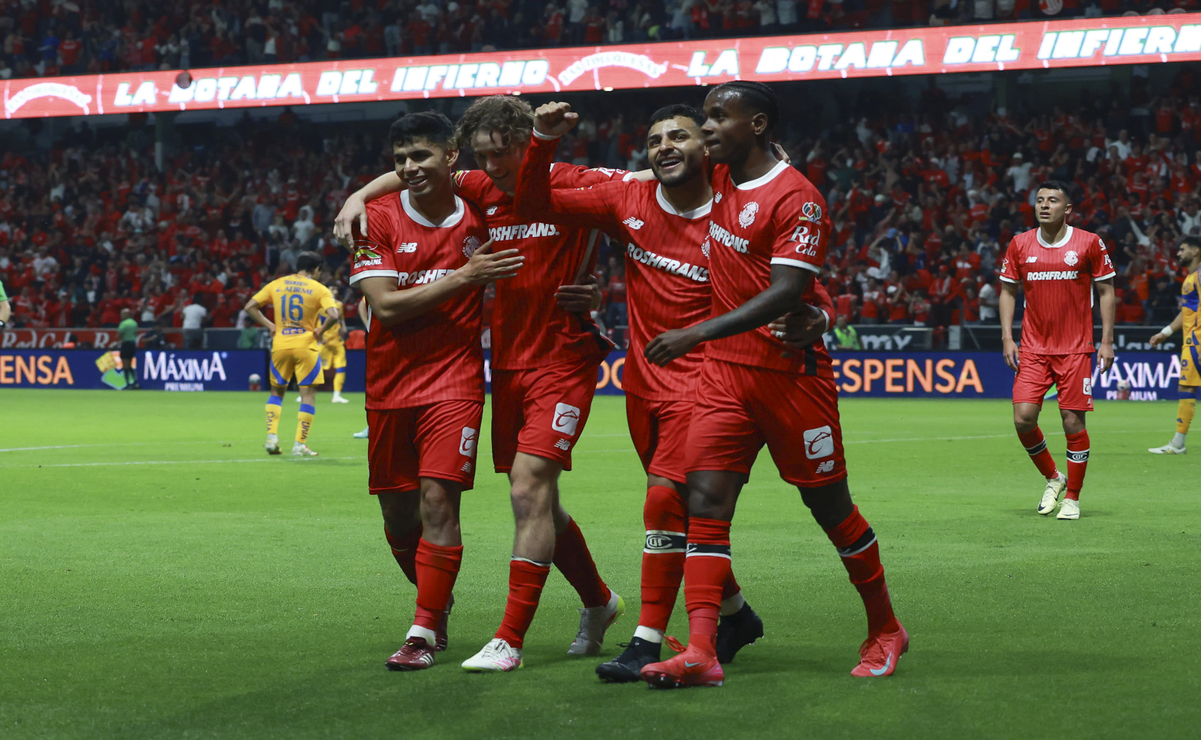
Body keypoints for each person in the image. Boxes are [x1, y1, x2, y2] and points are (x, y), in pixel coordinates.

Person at [515, 101, 834, 681]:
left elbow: (792, 274)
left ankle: (645, 638)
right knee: (683, 514)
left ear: (707, 145)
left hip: (712, 380)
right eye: (654, 138)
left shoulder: (738, 198)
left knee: (664, 503)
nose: (664, 146)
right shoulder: (626, 200)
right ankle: (734, 615)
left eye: (679, 136)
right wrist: (541, 138)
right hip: (645, 383)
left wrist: (822, 312)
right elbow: (533, 199)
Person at [335, 95, 627, 672]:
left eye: (505, 154)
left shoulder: (569, 180)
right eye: (484, 156)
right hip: (498, 368)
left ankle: (488, 637)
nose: (493, 167)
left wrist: (745, 163)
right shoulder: (473, 192)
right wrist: (357, 196)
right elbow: (412, 172)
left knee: (514, 492)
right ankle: (599, 600)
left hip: (541, 363)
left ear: (528, 143)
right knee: (527, 504)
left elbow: (648, 184)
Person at [638, 81, 905, 688]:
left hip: (791, 378)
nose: (704, 129)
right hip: (725, 378)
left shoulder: (798, 198)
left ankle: (886, 627)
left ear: (755, 124)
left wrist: (694, 333)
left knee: (829, 508)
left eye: (717, 118)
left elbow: (787, 292)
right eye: (703, 117)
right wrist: (370, 188)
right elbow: (643, 171)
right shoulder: (722, 174)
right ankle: (702, 650)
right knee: (703, 503)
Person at [349, 111, 523, 671]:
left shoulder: (480, 212)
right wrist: (464, 278)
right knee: (400, 519)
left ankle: (423, 631)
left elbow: (552, 212)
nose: (409, 167)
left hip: (456, 382)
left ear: (451, 157)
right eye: (400, 159)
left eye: (421, 155)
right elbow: (388, 306)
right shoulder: (373, 220)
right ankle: (435, 595)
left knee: (438, 503)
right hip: (389, 384)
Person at [999, 181, 1116, 520]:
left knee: (1071, 422)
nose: (1044, 205)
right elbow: (1008, 291)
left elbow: (1106, 290)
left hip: (1076, 348)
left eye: (1052, 200)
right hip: (1033, 347)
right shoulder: (1020, 244)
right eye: (1039, 200)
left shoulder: (1089, 242)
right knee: (1023, 419)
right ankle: (1054, 477)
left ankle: (1073, 498)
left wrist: (1106, 340)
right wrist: (1007, 338)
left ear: (1068, 209)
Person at [243, 252, 340, 457]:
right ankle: (299, 444)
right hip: (306, 345)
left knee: (277, 392)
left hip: (280, 344)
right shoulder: (319, 289)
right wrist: (320, 332)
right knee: (308, 395)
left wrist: (271, 325)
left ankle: (271, 437)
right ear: (316, 270)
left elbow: (250, 306)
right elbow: (334, 315)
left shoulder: (277, 284)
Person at [1148, 236, 1201, 455]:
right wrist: (1166, 332)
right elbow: (1187, 312)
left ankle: (1178, 444)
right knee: (1186, 387)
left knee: (1186, 388)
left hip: (1197, 341)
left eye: (1182, 249)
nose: (1178, 253)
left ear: (1196, 251)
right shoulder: (1191, 278)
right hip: (1191, 339)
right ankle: (1178, 443)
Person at [117, 309, 141, 389]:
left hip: (126, 344)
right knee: (129, 364)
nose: (121, 316)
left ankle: (128, 384)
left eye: (122, 314)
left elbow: (118, 335)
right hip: (132, 344)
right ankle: (135, 382)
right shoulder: (134, 323)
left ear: (127, 314)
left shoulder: (124, 323)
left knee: (125, 365)